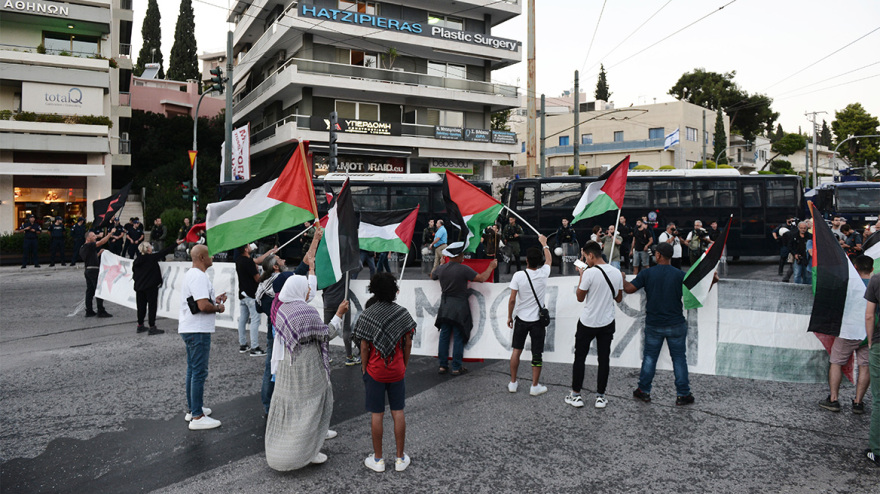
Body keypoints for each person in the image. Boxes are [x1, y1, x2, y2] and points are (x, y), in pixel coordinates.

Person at [265, 269, 349, 471]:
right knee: (310, 407)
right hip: (307, 365)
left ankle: (283, 450)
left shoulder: (282, 307)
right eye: (306, 287)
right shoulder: (306, 311)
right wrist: (338, 315)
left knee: (292, 407)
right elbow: (326, 334)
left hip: (287, 362)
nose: (309, 289)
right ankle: (307, 452)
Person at [622, 243, 714, 405]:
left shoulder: (647, 273)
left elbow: (629, 289)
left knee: (650, 358)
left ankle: (643, 390)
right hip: (676, 324)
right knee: (679, 359)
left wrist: (621, 279)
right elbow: (697, 294)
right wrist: (712, 282)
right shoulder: (680, 275)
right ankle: (683, 394)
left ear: (658, 256)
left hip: (654, 324)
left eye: (655, 253)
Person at [354, 273, 417, 473]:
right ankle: (400, 458)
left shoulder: (367, 315)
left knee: (377, 414)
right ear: (394, 290)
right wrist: (404, 364)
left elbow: (363, 347)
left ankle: (378, 459)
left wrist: (365, 368)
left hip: (375, 370)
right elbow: (408, 342)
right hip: (397, 369)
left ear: (373, 290)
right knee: (398, 411)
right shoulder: (402, 314)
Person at [566, 240, 623, 409]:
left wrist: (583, 274)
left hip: (588, 321)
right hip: (607, 322)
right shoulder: (616, 272)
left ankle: (576, 394)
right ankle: (600, 396)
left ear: (591, 255)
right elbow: (618, 298)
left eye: (585, 257)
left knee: (580, 358)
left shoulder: (589, 273)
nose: (585, 260)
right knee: (604, 359)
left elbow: (580, 297)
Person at [179, 244, 227, 431]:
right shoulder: (198, 276)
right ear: (201, 258)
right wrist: (218, 308)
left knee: (193, 370)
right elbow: (202, 306)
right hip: (197, 330)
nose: (212, 257)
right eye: (209, 255)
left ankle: (193, 409)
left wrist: (214, 300)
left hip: (191, 328)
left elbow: (200, 301)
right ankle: (197, 417)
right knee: (199, 371)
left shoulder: (193, 274)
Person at [819, 255, 874, 414]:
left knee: (836, 362)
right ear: (871, 269)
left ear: (855, 268)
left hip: (848, 331)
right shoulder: (875, 285)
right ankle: (858, 402)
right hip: (869, 333)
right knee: (865, 366)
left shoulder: (847, 285)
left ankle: (834, 399)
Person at [432, 242, 497, 375]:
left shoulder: (442, 269)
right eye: (461, 254)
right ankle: (456, 366)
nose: (463, 256)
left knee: (444, 335)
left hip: (445, 306)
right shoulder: (463, 269)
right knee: (458, 335)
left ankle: (442, 366)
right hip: (460, 307)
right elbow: (481, 278)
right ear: (456, 256)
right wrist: (491, 267)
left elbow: (433, 275)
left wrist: (440, 264)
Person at [506, 235, 552, 396]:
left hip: (521, 319)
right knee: (537, 353)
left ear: (526, 261)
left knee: (516, 351)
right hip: (537, 321)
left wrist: (509, 316)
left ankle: (513, 383)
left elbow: (512, 300)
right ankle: (534, 385)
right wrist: (544, 244)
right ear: (539, 261)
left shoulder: (518, 276)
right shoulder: (543, 273)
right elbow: (549, 260)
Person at [256, 254, 287, 417]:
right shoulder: (279, 281)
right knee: (283, 365)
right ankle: (276, 406)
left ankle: (269, 406)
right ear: (275, 266)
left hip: (273, 324)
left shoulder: (263, 285)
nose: (284, 261)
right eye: (280, 260)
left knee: (272, 365)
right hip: (282, 326)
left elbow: (258, 307)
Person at [236, 242, 277, 356]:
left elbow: (258, 260)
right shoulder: (248, 262)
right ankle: (255, 347)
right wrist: (267, 273)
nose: (251, 246)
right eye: (249, 245)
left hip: (243, 294)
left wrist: (270, 253)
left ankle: (243, 344)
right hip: (250, 295)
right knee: (255, 320)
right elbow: (258, 279)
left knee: (243, 319)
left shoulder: (240, 259)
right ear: (245, 249)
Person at [133, 240, 181, 335]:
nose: (152, 248)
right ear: (148, 249)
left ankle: (140, 325)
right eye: (150, 247)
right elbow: (164, 252)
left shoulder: (136, 260)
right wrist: (176, 243)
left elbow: (134, 273)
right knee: (152, 306)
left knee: (141, 306)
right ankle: (152, 326)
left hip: (139, 287)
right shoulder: (151, 258)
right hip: (150, 287)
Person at [863, 264, 880, 466]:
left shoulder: (876, 280)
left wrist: (869, 340)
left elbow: (869, 315)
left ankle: (877, 450)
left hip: (879, 343)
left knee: (879, 399)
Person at [80, 230, 113, 318]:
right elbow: (102, 242)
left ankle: (89, 310)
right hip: (93, 271)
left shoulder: (83, 247)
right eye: (93, 236)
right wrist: (110, 234)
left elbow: (91, 259)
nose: (95, 237)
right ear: (88, 238)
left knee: (90, 291)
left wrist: (98, 253)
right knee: (99, 291)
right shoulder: (89, 245)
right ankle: (101, 310)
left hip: (88, 270)